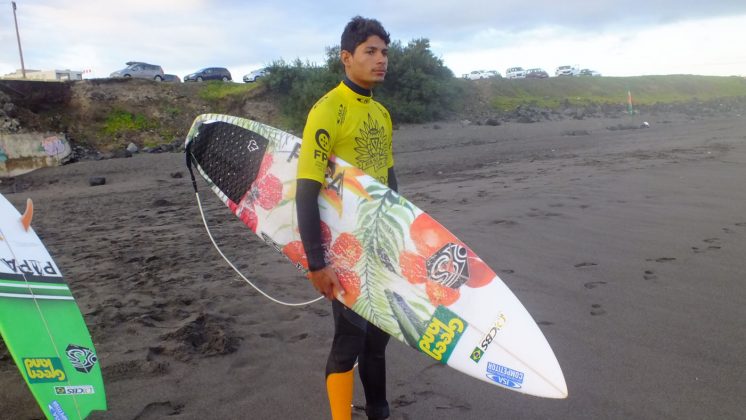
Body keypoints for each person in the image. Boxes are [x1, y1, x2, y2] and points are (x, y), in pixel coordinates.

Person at [295, 16, 396, 420]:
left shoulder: (382, 114)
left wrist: (399, 238)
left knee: (379, 338)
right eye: (370, 51)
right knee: (350, 338)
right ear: (346, 57)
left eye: (384, 52)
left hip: (379, 242)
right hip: (343, 246)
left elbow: (390, 182)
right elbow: (306, 189)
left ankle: (378, 411)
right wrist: (316, 264)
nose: (380, 60)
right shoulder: (327, 110)